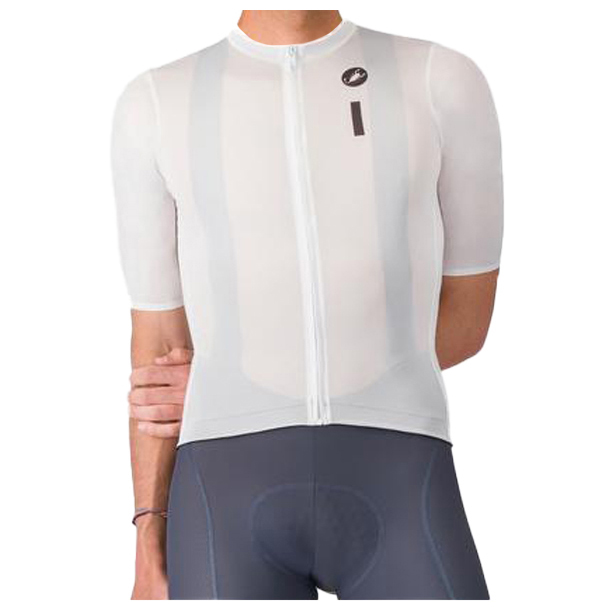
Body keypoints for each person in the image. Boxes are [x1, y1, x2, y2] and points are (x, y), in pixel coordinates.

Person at [111, 9, 503, 600]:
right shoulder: (156, 102)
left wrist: (283, 378)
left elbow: (468, 319)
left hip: (401, 475)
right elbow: (158, 349)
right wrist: (148, 532)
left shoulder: (439, 79)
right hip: (223, 494)